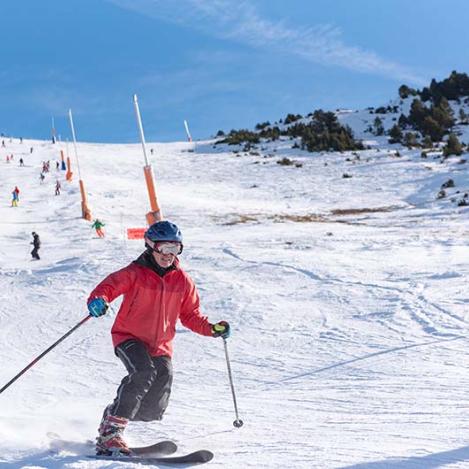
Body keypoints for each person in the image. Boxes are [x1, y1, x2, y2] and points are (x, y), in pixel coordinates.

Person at [87, 220, 230, 456]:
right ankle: (110, 434)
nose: (169, 255)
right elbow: (108, 287)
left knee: (156, 399)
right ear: (151, 246)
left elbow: (191, 315)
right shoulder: (134, 273)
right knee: (143, 372)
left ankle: (113, 414)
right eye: (164, 248)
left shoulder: (183, 281)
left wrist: (212, 328)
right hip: (128, 336)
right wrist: (98, 301)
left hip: (160, 345)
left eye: (175, 249)